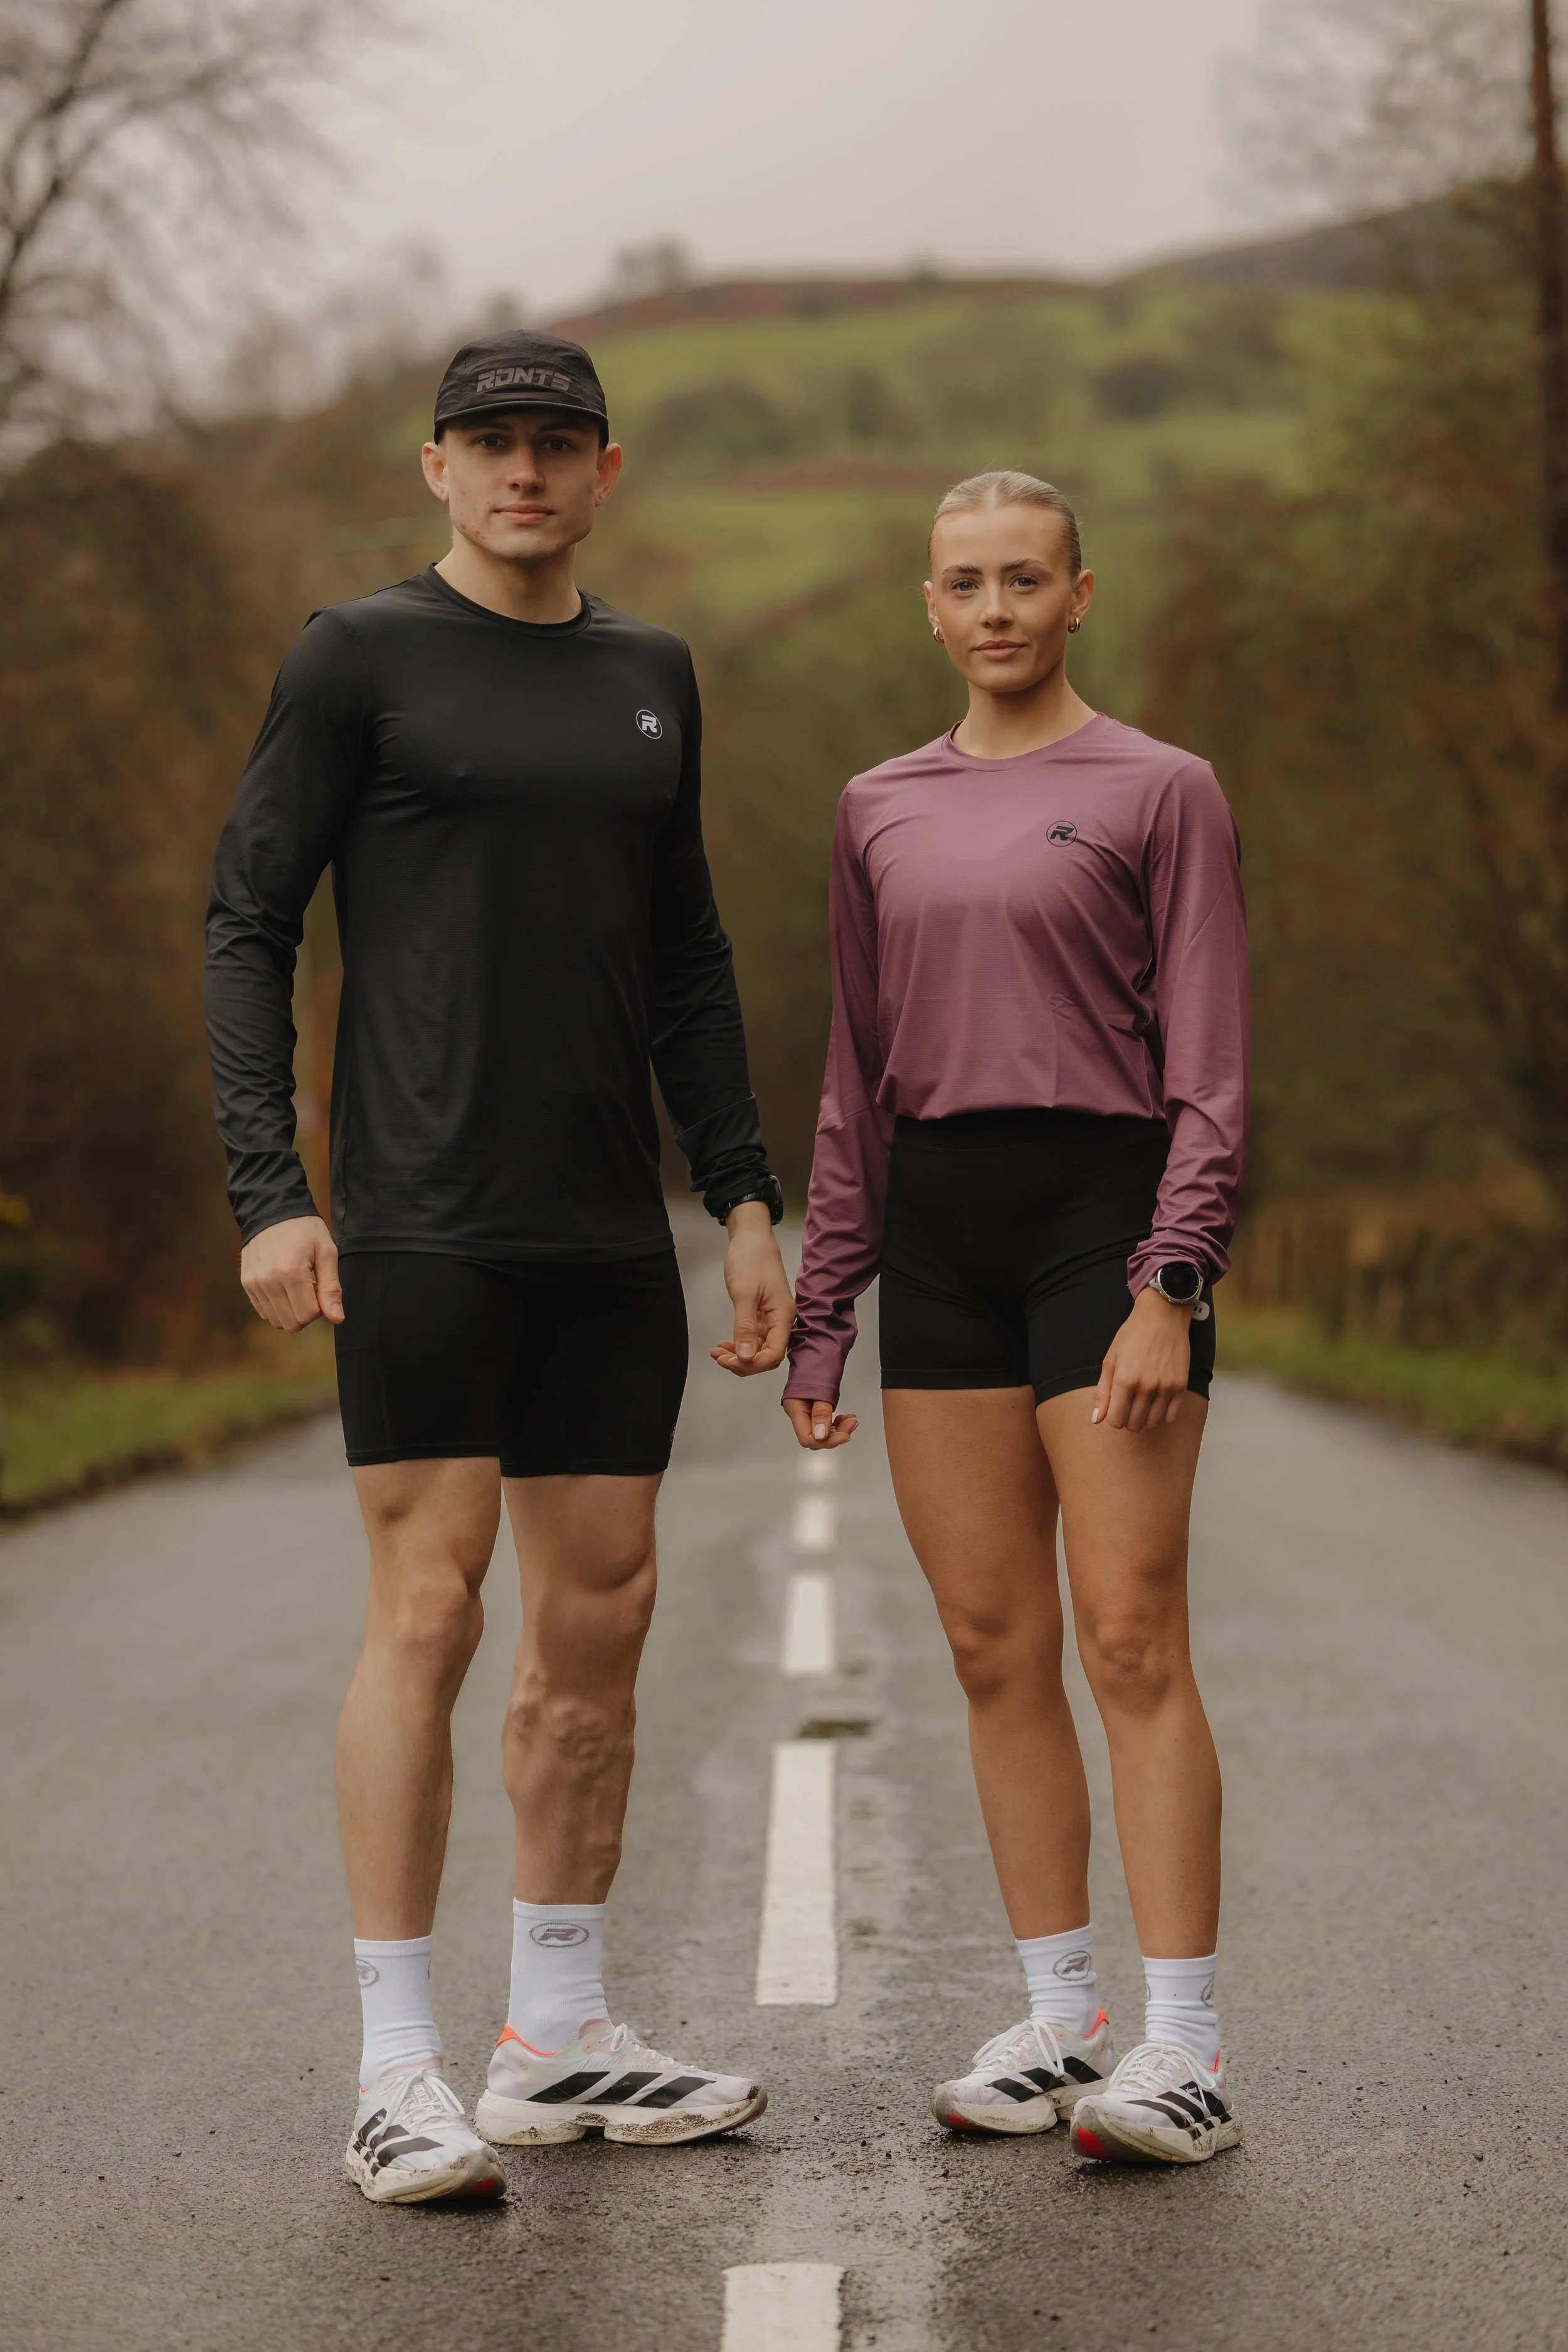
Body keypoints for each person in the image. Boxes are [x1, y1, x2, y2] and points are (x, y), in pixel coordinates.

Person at [205, 330, 792, 2205]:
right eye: (490, 443)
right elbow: (248, 920)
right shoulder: (356, 656)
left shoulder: (651, 675)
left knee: (600, 1620)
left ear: (604, 470)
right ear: (438, 470)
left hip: (607, 1231)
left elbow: (688, 955)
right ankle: (397, 2067)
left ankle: (556, 2036)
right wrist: (269, 1188)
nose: (522, 471)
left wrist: (745, 1194)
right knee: (432, 1610)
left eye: (555, 442)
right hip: (419, 1219)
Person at [783, 471, 1248, 2166]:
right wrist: (826, 1308)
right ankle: (1061, 2021)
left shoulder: (1161, 789)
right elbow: (856, 1077)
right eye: (965, 582)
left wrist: (1170, 1277)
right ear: (930, 605)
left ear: (1078, 594)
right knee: (992, 1647)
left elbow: (1211, 1066)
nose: (995, 608)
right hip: (940, 1237)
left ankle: (1184, 2047)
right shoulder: (874, 806)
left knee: (1129, 1636)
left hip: (1103, 1225)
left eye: (1025, 579)